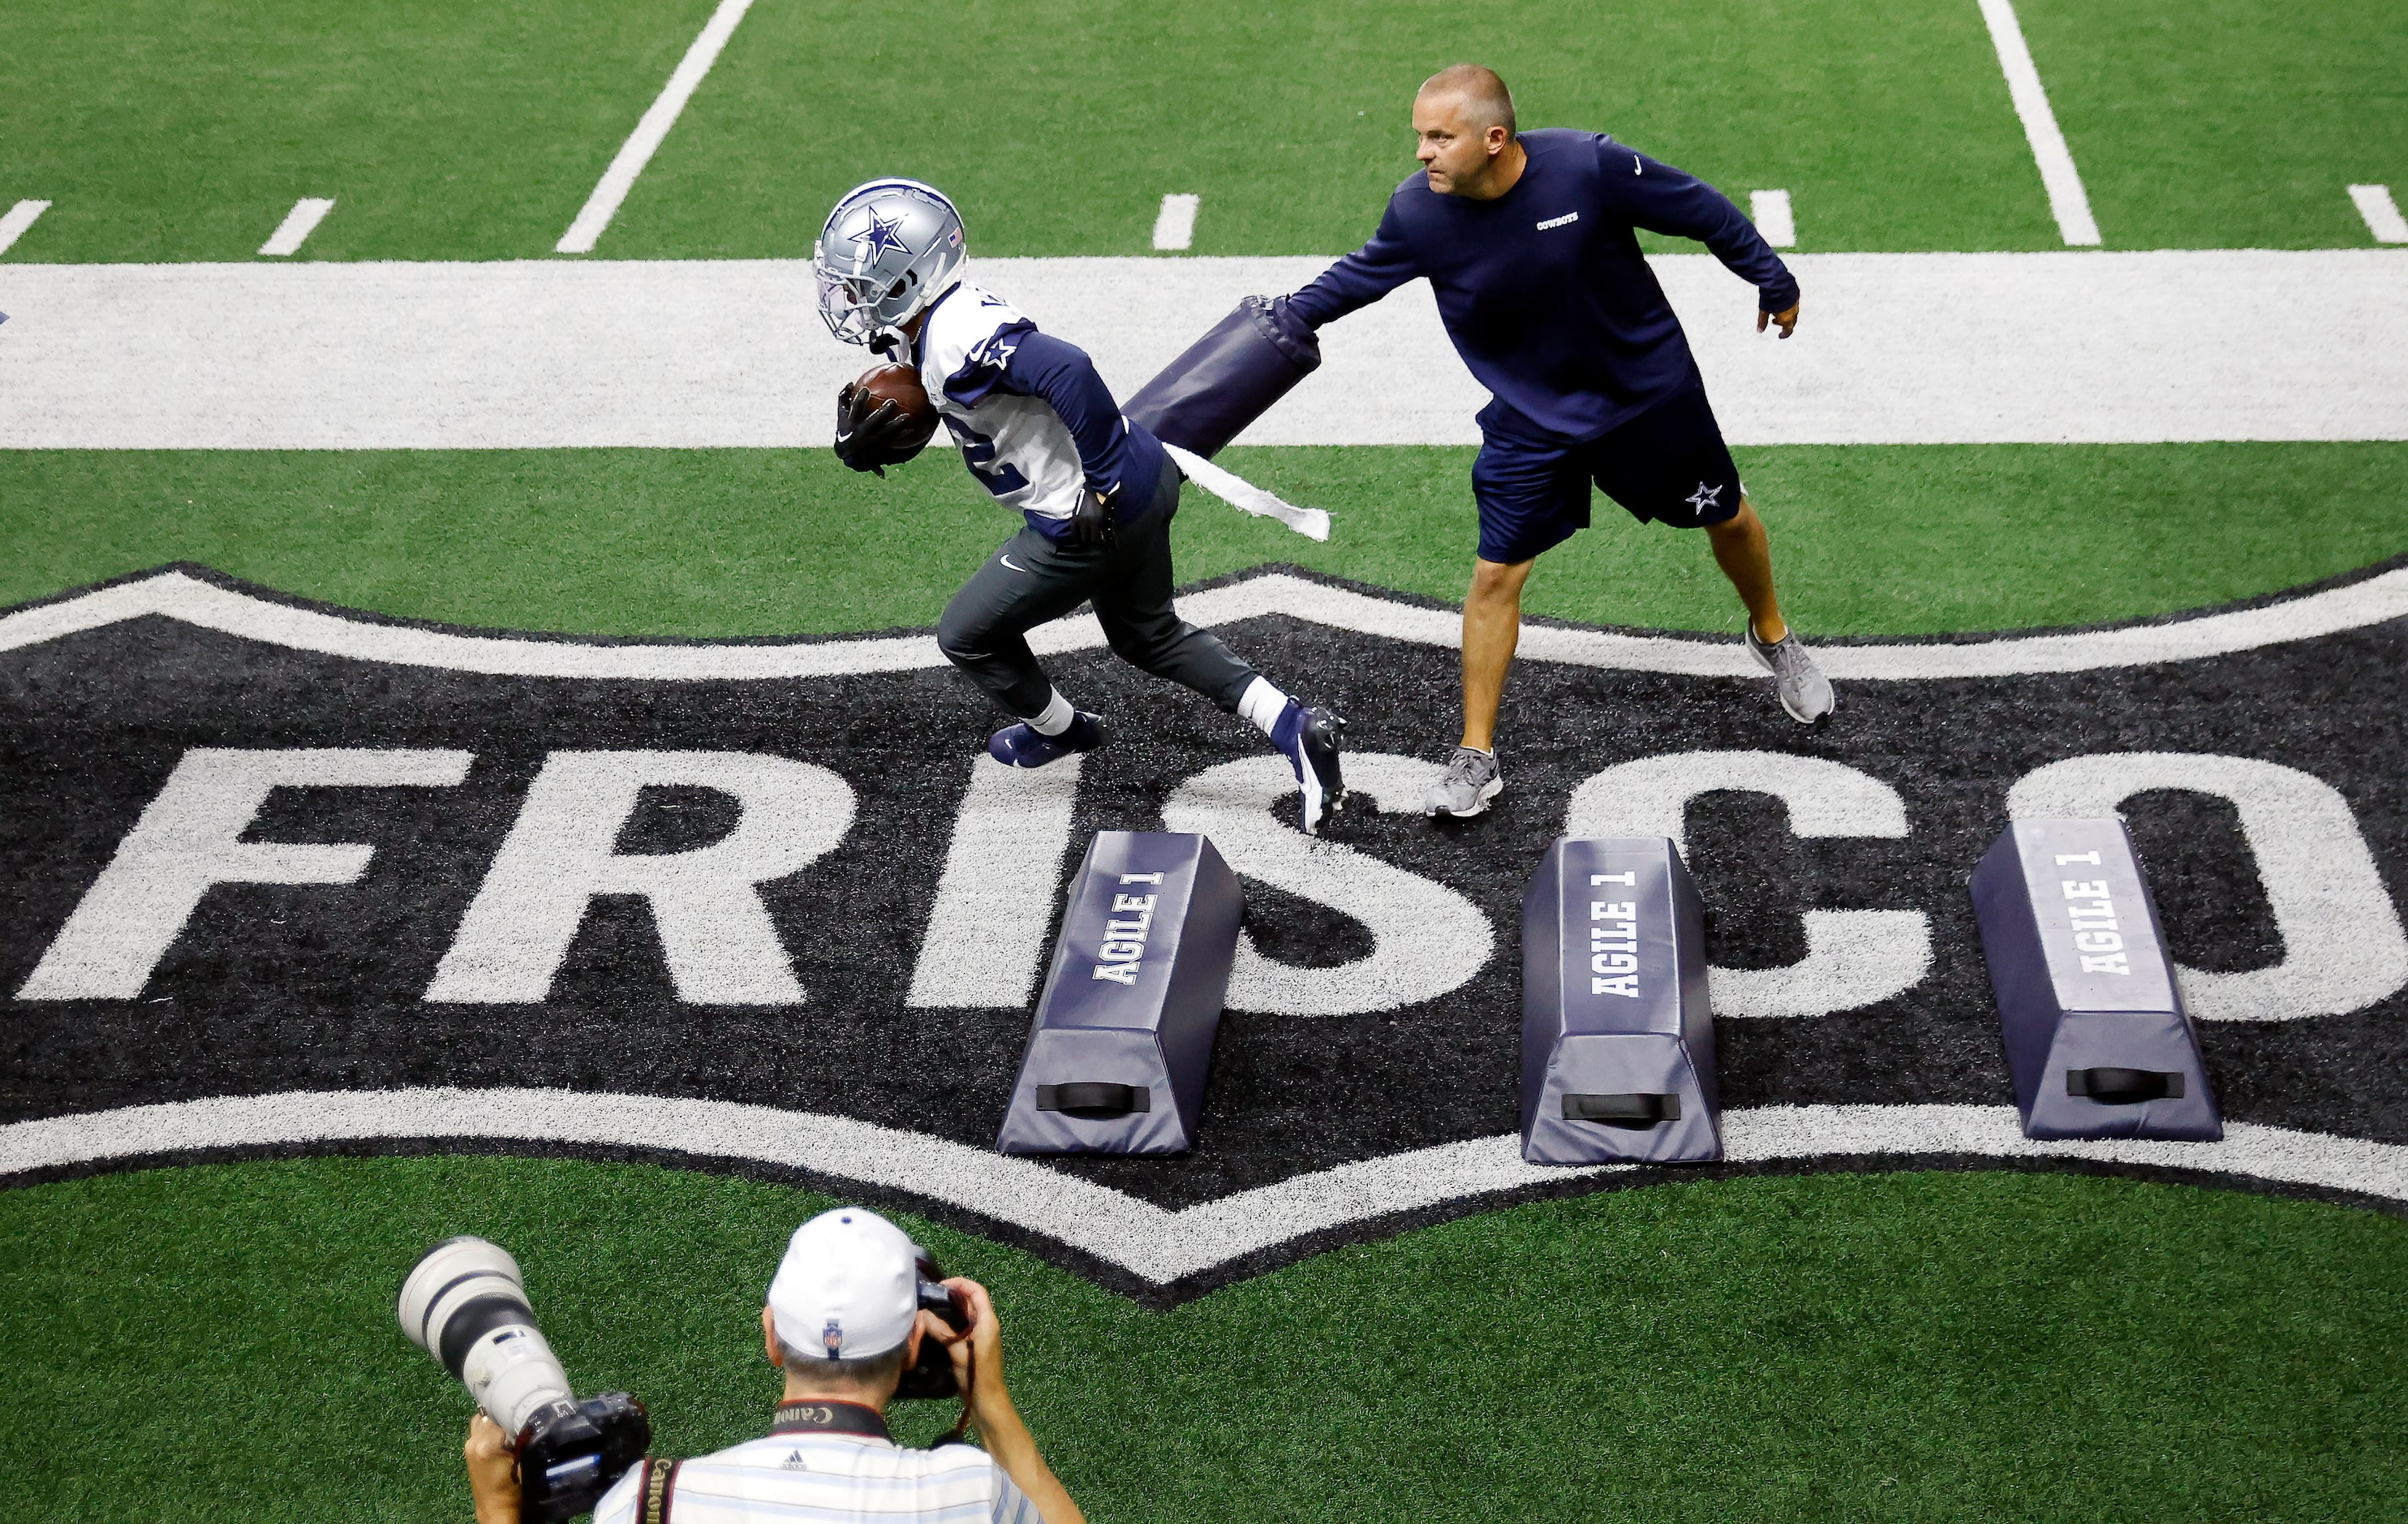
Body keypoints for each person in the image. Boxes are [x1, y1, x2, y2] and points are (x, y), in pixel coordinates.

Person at [1278, 64, 1834, 820]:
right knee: (1494, 576)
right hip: (1532, 418)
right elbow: (1359, 277)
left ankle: (1772, 635)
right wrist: (1284, 320)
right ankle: (1477, 753)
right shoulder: (1418, 213)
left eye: (1439, 137)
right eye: (1420, 136)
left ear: (1495, 138)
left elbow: (1701, 209)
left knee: (1727, 516)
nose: (1421, 153)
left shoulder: (1589, 167)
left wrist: (1771, 278)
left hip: (1647, 397)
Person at [818, 178, 1348, 834]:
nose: (849, 299)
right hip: (1144, 466)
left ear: (905, 278)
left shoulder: (955, 334)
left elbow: (1068, 369)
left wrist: (1099, 484)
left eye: (860, 284)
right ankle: (1295, 724)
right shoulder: (939, 319)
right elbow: (954, 385)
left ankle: (1062, 731)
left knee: (968, 635)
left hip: (1092, 510)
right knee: (1147, 634)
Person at [462, 1206, 1083, 1524]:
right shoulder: (967, 1493)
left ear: (771, 1338)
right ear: (915, 1345)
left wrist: (497, 1508)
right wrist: (990, 1401)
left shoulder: (650, 1503)